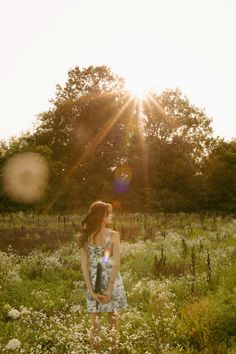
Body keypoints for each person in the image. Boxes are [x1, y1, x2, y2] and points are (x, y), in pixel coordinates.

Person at [77, 201, 128, 353]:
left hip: (93, 281)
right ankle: (112, 351)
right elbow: (116, 264)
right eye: (109, 214)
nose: (111, 216)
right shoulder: (113, 235)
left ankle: (96, 351)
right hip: (111, 281)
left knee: (95, 325)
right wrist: (109, 289)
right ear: (102, 216)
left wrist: (91, 291)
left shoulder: (85, 237)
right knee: (112, 322)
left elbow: (84, 267)